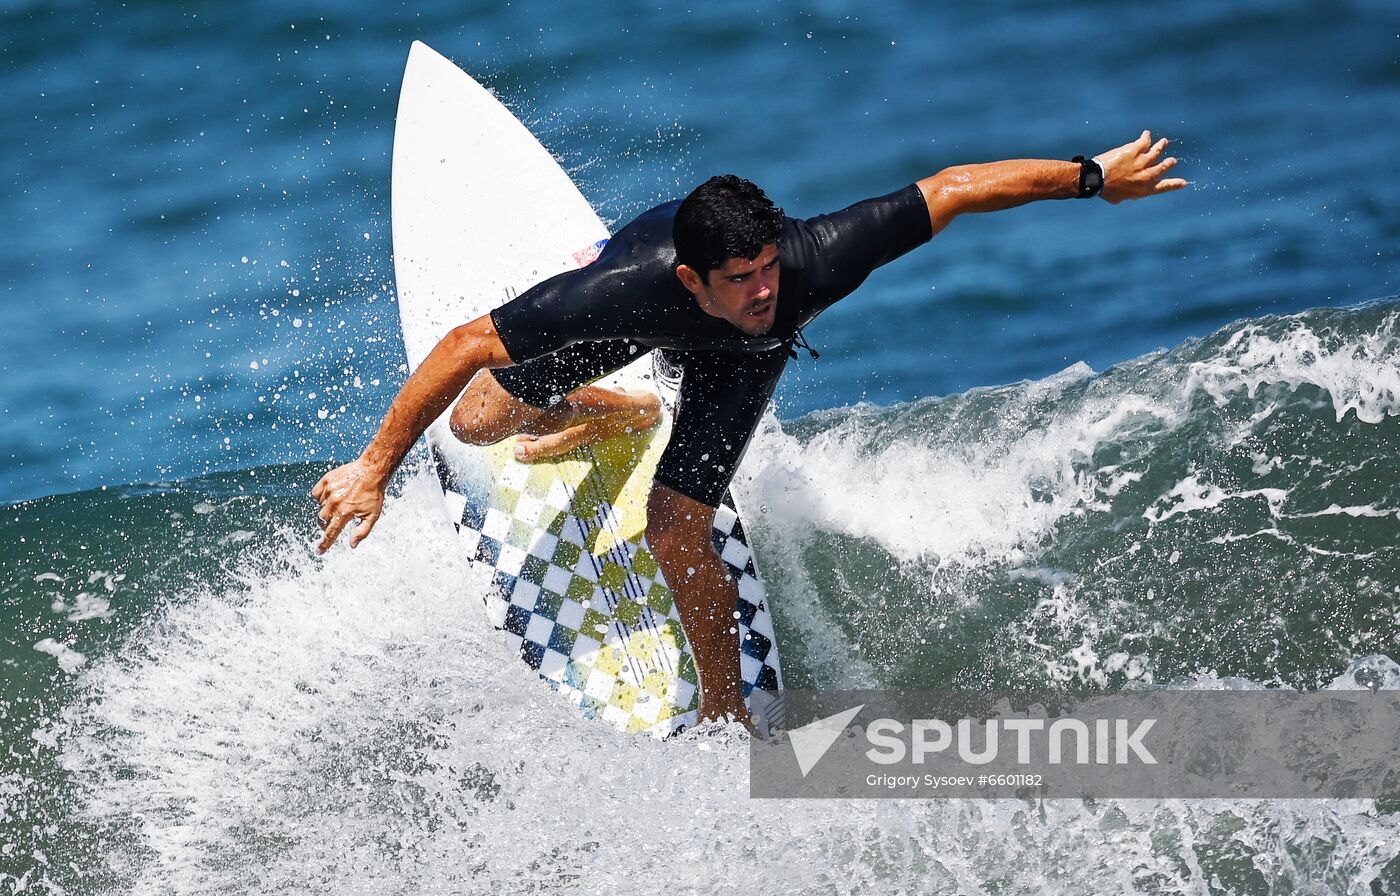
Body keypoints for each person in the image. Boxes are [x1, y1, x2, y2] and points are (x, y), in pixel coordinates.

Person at [313, 129, 1187, 728]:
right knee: (476, 424)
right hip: (647, 327)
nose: (764, 287)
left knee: (672, 525)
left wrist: (1095, 177)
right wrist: (373, 468)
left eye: (768, 265)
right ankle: (625, 408)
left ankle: (725, 710)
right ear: (697, 278)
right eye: (741, 276)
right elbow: (467, 342)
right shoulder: (625, 290)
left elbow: (950, 191)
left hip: (740, 362)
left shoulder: (805, 270)